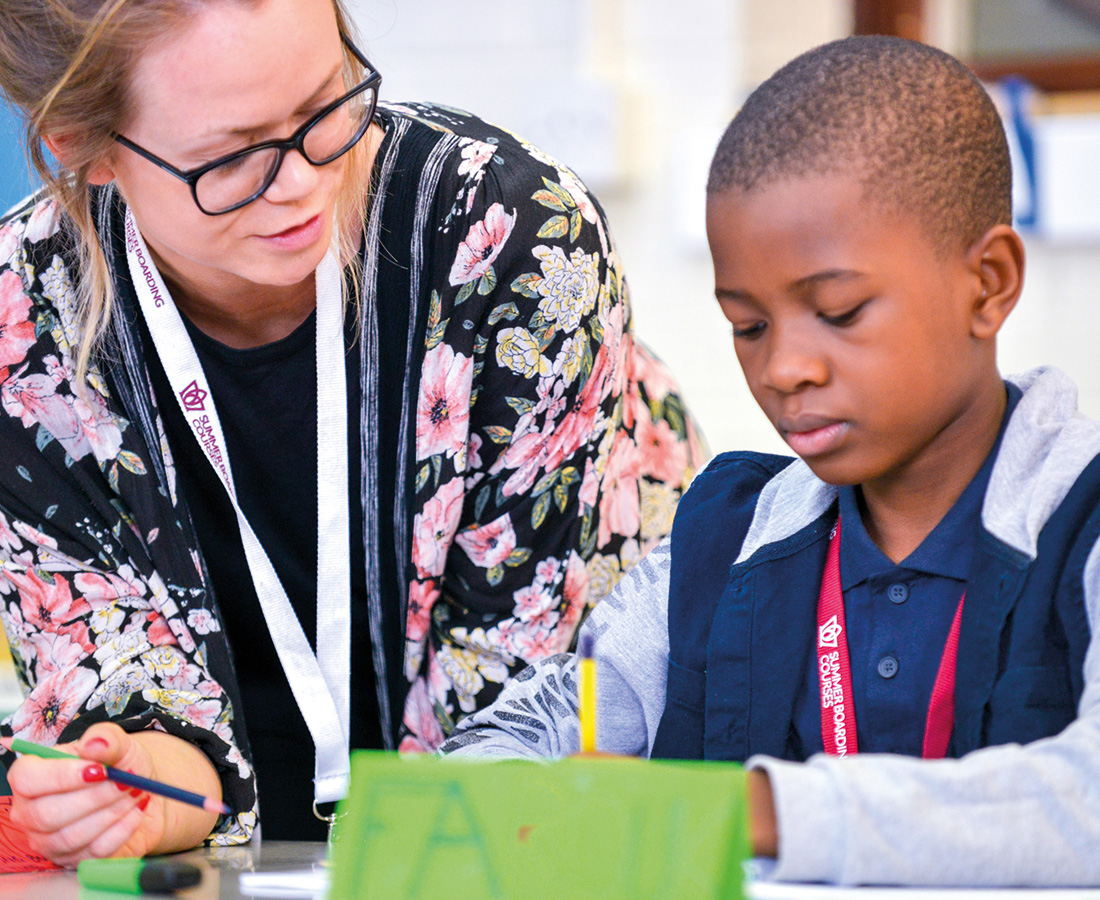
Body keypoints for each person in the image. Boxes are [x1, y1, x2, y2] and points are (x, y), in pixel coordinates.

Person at [0, 0, 704, 863]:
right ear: (81, 145)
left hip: (527, 809)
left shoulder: (514, 238)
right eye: (232, 155)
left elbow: (529, 703)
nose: (301, 181)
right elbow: (127, 688)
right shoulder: (21, 323)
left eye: (325, 101)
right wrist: (135, 785)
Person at [442, 35, 1100, 886]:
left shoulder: (1081, 518)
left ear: (989, 282)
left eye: (839, 309)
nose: (785, 368)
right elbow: (504, 750)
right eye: (748, 326)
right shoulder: (725, 542)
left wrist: (752, 814)